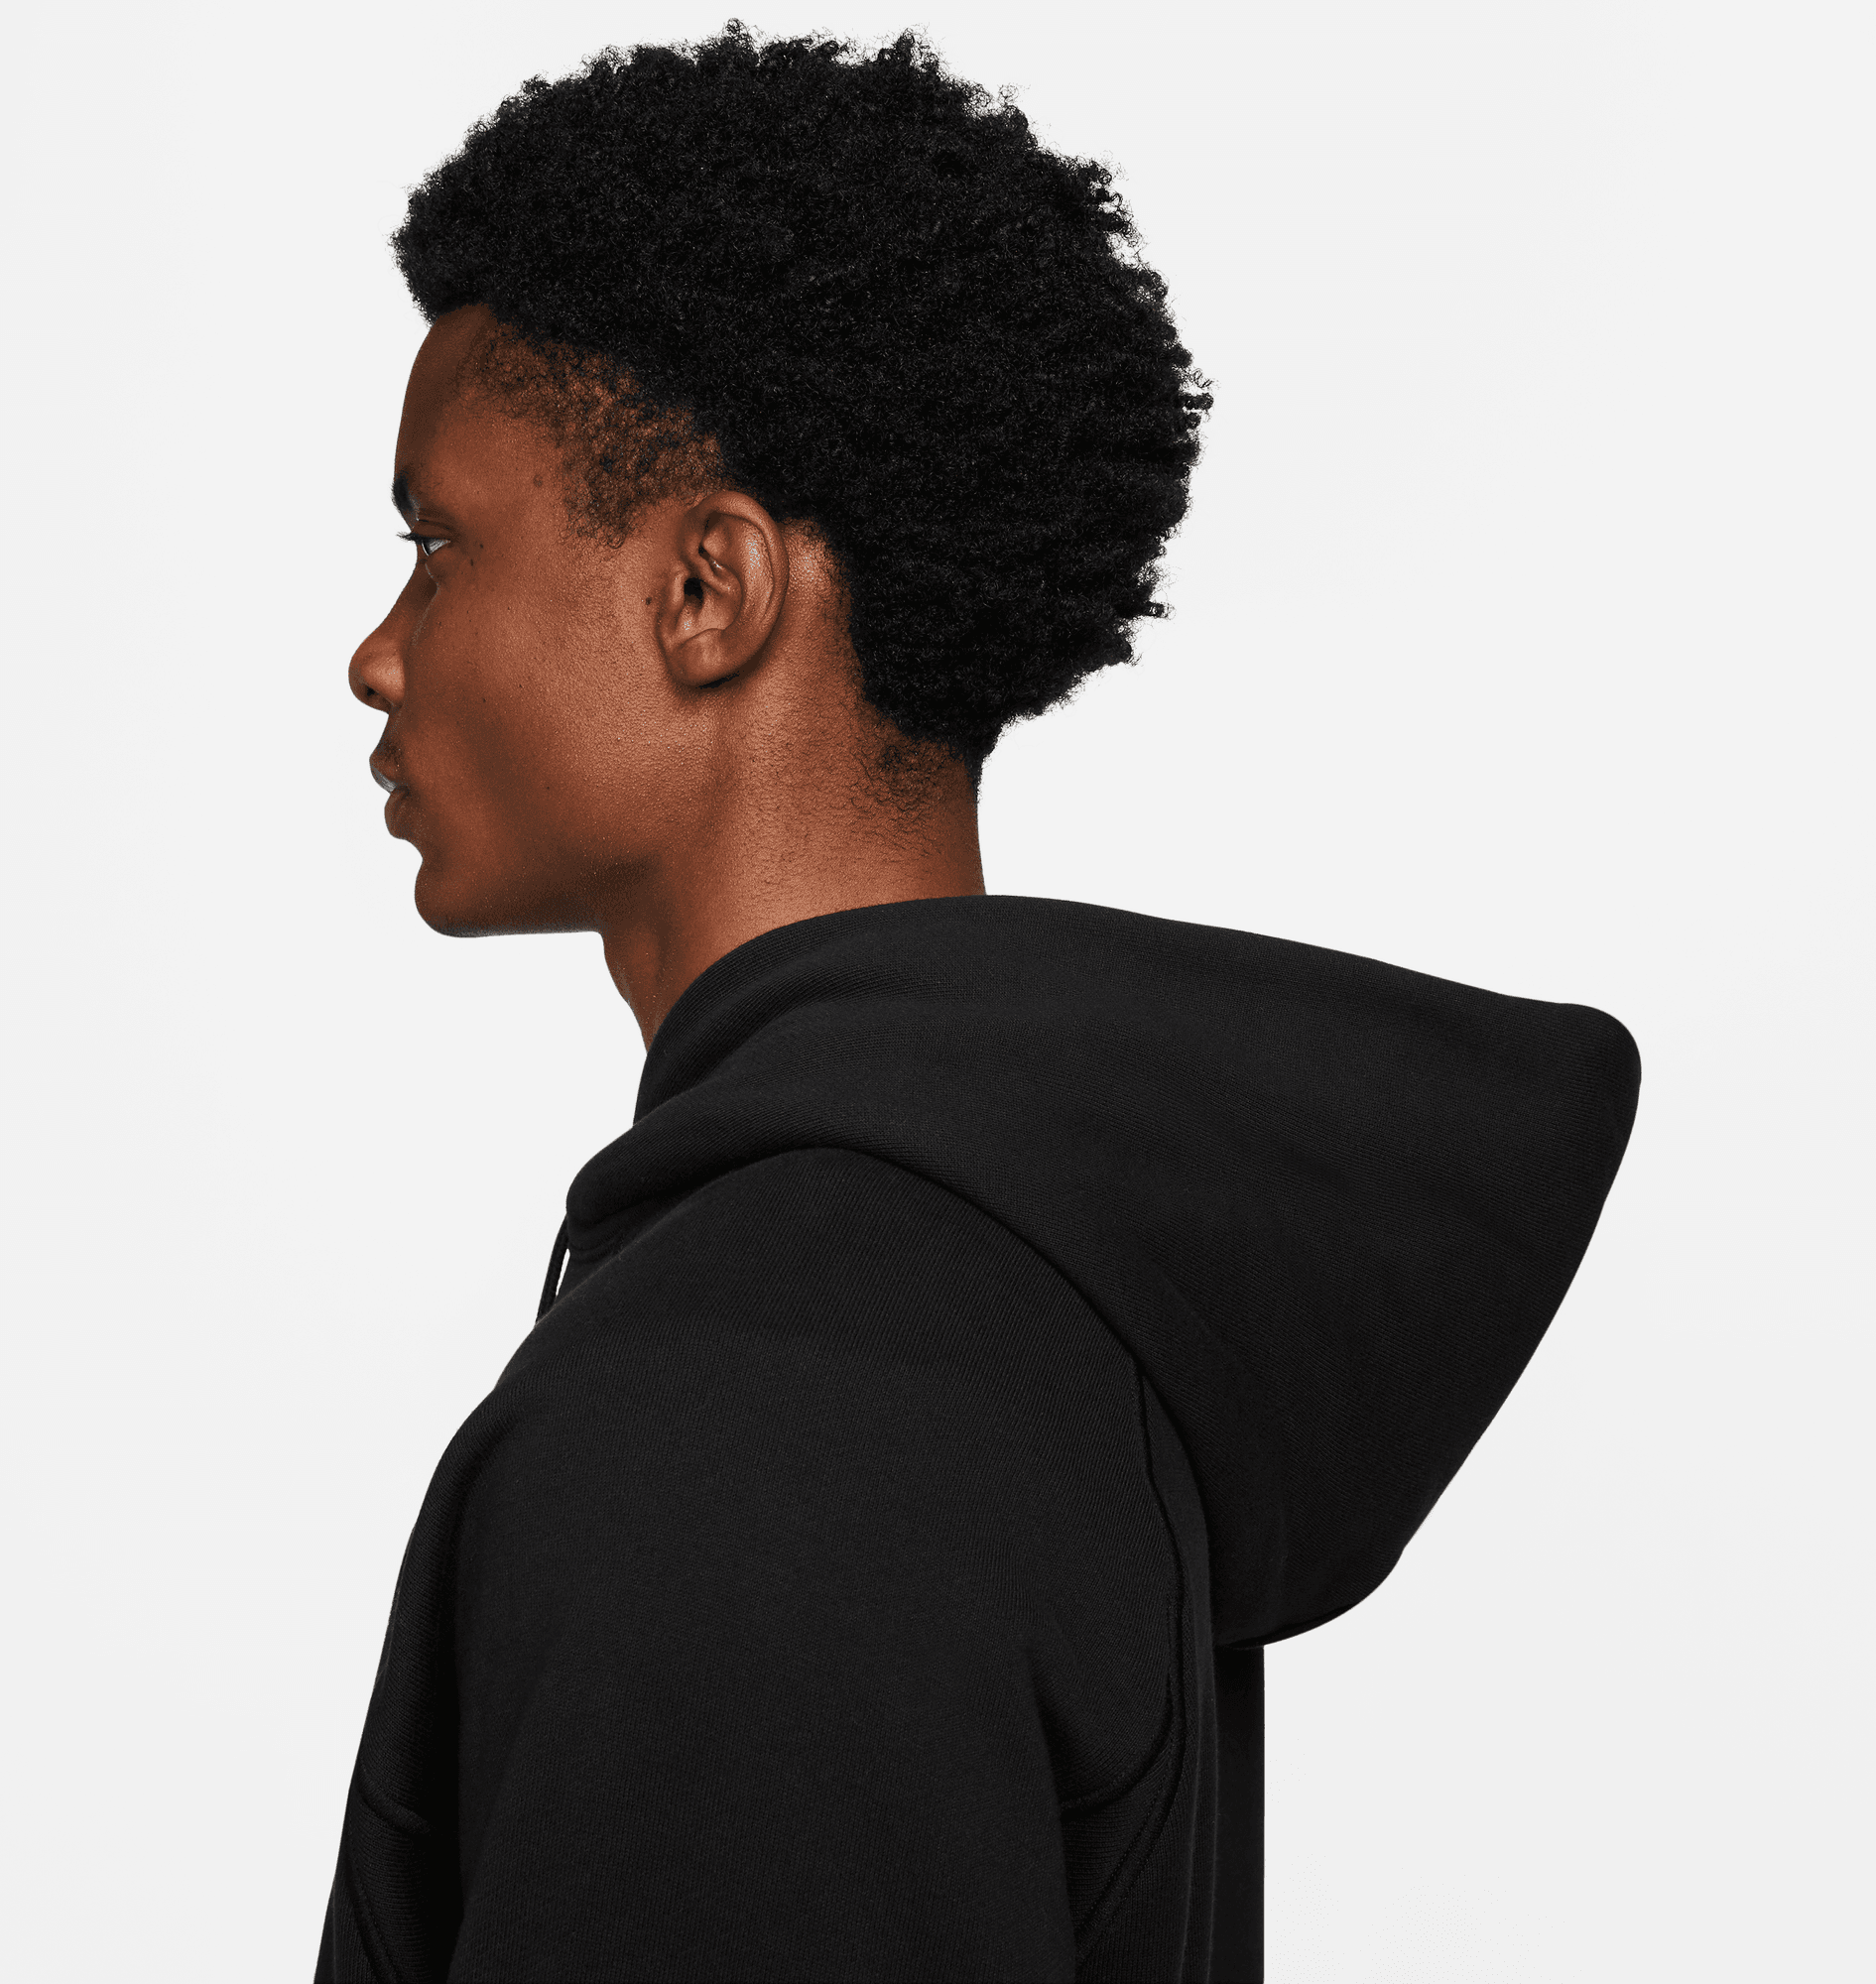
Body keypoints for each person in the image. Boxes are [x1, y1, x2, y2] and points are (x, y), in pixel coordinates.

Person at [319, 26, 1639, 1984]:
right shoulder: (995, 1292)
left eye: (437, 546)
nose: (375, 652)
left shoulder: (758, 1409)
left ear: (708, 592)